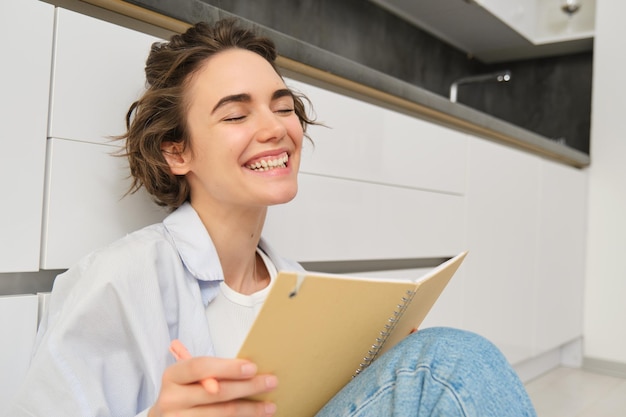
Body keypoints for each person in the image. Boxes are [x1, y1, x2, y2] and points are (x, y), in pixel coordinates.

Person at [9, 19, 537, 417]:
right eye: (236, 115)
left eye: (283, 108)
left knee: (425, 356)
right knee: (446, 363)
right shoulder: (120, 280)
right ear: (177, 153)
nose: (275, 129)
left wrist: (378, 367)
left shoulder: (300, 287)